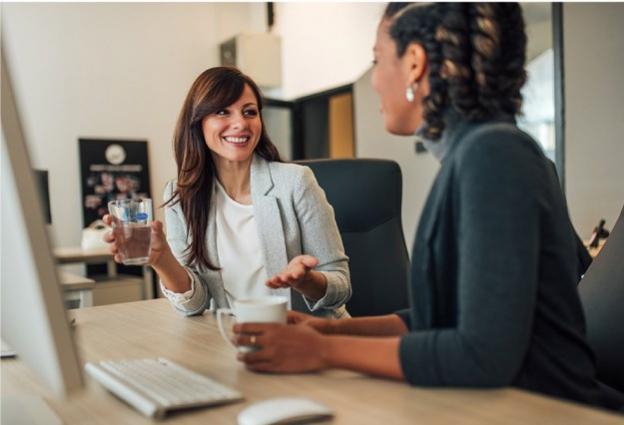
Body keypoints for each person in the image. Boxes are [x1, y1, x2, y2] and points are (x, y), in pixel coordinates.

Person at [233, 3, 624, 411]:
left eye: (377, 60)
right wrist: (324, 333)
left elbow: (481, 355)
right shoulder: (478, 153)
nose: (375, 82)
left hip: (546, 412)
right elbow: (439, 319)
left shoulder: (494, 157)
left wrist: (320, 353)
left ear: (415, 63)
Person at [103, 67, 351, 318]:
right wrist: (161, 259)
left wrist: (306, 281)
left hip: (302, 338)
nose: (241, 123)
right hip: (229, 339)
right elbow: (193, 304)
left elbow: (341, 286)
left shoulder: (295, 182)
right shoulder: (182, 195)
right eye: (223, 111)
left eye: (249, 112)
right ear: (198, 122)